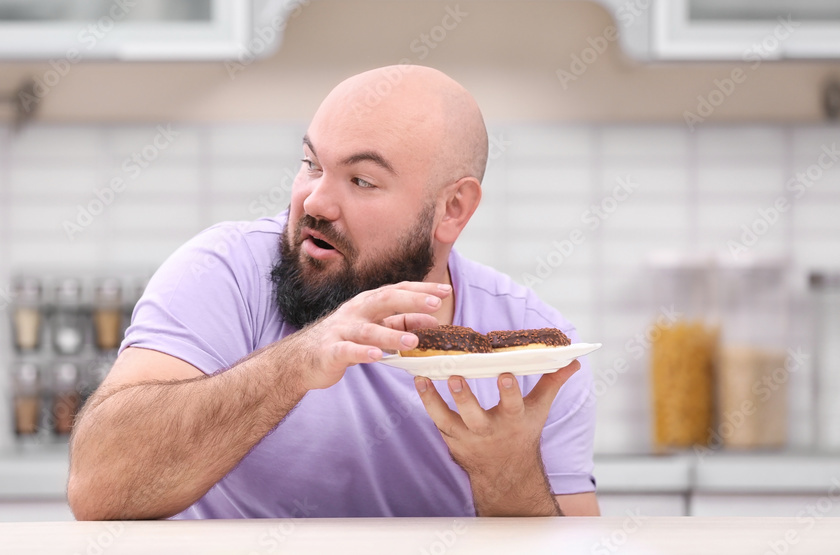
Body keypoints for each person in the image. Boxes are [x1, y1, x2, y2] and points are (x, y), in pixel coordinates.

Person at [67, 65, 599, 520]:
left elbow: (575, 544)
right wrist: (295, 362)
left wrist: (508, 474)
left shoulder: (537, 357)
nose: (315, 201)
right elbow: (97, 487)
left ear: (452, 209)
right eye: (311, 165)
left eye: (361, 180)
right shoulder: (225, 272)